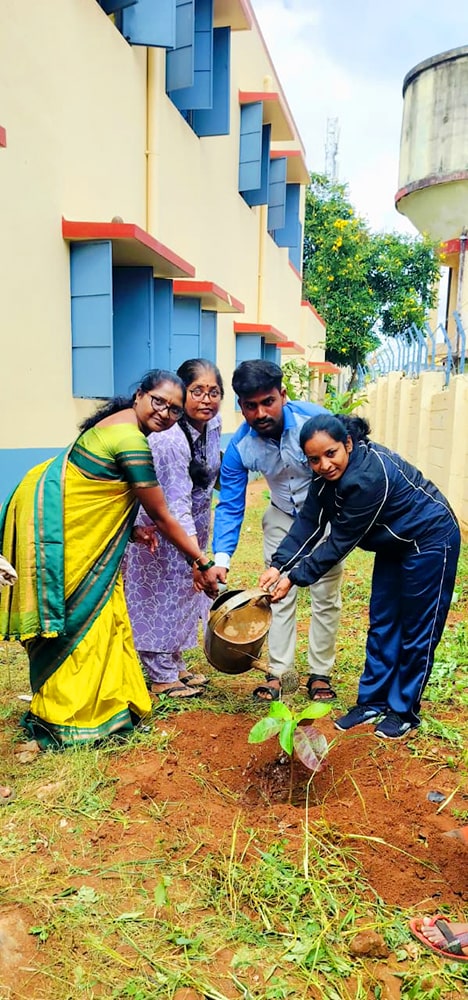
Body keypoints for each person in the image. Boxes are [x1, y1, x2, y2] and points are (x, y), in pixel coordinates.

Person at [0, 370, 219, 748]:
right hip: (62, 534)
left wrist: (131, 529)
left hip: (61, 521)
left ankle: (105, 707)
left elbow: (99, 485)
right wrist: (201, 562)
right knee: (80, 618)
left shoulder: (116, 423)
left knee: (104, 614)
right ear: (139, 396)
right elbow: (164, 515)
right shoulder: (130, 439)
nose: (166, 413)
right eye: (159, 402)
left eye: (174, 410)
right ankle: (69, 717)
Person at [260, 414, 460, 739]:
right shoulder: (324, 479)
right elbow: (309, 521)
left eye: (331, 454)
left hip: (430, 537)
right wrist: (277, 564)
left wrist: (294, 578)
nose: (324, 464)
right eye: (314, 459)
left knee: (417, 629)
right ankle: (372, 701)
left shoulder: (368, 478)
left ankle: (403, 710)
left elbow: (339, 541)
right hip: (395, 542)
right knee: (383, 622)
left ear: (348, 444)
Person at [212, 359, 343, 703]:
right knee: (276, 594)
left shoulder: (313, 422)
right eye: (250, 406)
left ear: (282, 394)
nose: (260, 413)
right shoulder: (241, 448)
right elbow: (230, 504)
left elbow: (346, 458)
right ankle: (279, 671)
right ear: (241, 406)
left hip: (324, 517)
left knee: (325, 597)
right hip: (282, 517)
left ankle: (320, 674)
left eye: (268, 401)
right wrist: (222, 558)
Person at [124, 359, 223, 698]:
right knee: (156, 598)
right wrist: (197, 556)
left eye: (214, 392)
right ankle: (160, 673)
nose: (207, 400)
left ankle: (175, 663)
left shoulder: (212, 426)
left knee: (182, 594)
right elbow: (174, 504)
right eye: (197, 392)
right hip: (158, 530)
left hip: (190, 527)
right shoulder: (169, 439)